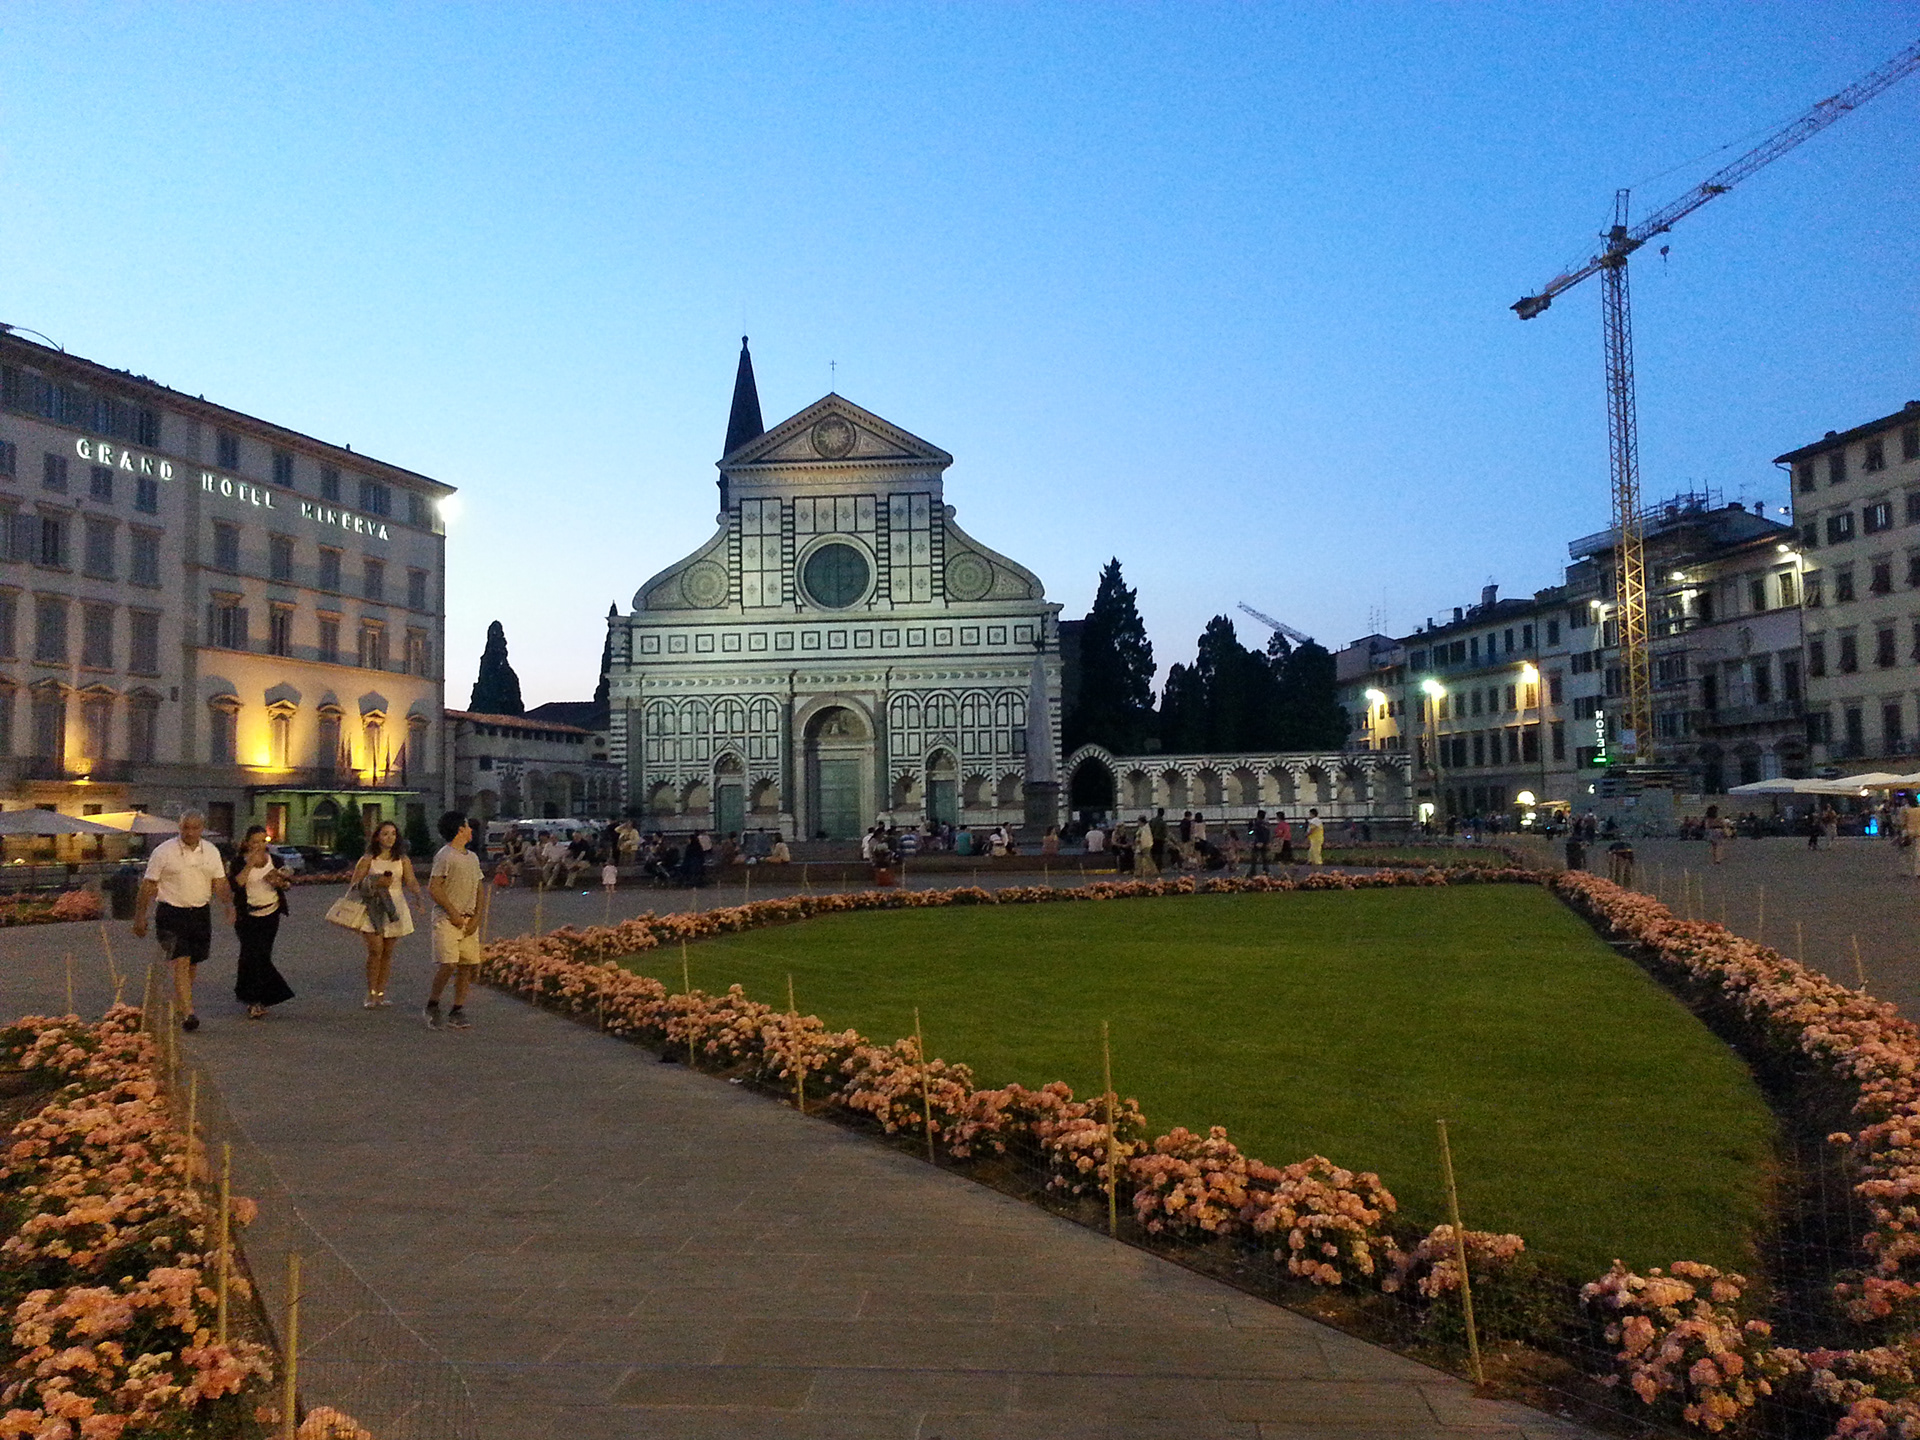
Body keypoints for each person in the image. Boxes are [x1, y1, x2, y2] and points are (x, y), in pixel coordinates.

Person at [130, 811, 235, 1032]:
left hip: (199, 913)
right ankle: (189, 1013)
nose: (189, 832)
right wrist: (140, 917)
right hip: (171, 913)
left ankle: (181, 1003)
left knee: (193, 963)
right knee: (180, 960)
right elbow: (148, 885)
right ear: (180, 828)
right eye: (185, 827)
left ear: (202, 829)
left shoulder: (211, 852)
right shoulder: (164, 851)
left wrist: (228, 906)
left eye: (194, 828)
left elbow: (220, 882)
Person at [349, 820, 425, 1008]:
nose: (390, 837)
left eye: (393, 833)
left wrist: (418, 897)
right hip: (372, 905)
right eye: (385, 833)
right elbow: (354, 883)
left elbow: (411, 880)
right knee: (375, 951)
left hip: (394, 906)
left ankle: (381, 993)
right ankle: (371, 993)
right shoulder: (368, 859)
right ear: (377, 837)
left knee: (388, 952)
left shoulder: (402, 859)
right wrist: (375, 882)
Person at [424, 811, 488, 1031]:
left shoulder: (472, 858)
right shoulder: (445, 855)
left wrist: (477, 916)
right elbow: (434, 887)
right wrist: (452, 912)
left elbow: (479, 888)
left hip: (469, 919)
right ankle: (433, 1004)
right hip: (447, 919)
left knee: (467, 964)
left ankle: (457, 1008)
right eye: (468, 826)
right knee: (449, 962)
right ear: (460, 829)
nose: (471, 830)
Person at [229, 826, 295, 1020]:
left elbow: (287, 885)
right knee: (251, 955)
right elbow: (236, 884)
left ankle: (258, 998)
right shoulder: (238, 862)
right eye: (255, 841)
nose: (259, 846)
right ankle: (252, 999)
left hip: (271, 912)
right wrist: (249, 864)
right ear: (247, 843)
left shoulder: (275, 860)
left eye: (262, 841)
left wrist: (282, 883)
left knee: (263, 955)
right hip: (247, 915)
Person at [1247, 809, 1272, 877]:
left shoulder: (1257, 824)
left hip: (1258, 842)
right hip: (1265, 842)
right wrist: (1266, 842)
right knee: (1264, 858)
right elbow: (1268, 833)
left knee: (1254, 858)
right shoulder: (1266, 824)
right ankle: (1266, 871)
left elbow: (1251, 832)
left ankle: (1252, 871)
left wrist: (1250, 826)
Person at [1148, 808, 1169, 873]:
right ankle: (1158, 869)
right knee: (1159, 855)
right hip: (1160, 840)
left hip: (1152, 839)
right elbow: (1165, 832)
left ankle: (1152, 868)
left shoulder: (1152, 820)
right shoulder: (1162, 822)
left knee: (1153, 854)